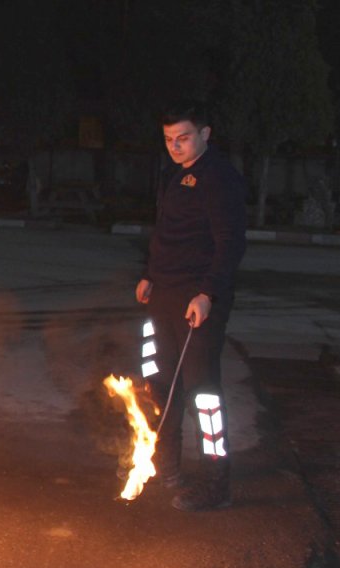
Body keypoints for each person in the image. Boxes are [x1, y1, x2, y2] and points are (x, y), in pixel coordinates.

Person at [136, 101, 247, 512]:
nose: (174, 146)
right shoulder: (173, 175)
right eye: (168, 139)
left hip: (198, 300)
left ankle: (217, 483)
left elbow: (230, 243)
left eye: (182, 138)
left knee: (202, 392)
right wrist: (149, 273)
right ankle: (166, 465)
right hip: (163, 294)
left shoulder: (220, 179)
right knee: (162, 385)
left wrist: (208, 294)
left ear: (205, 134)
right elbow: (167, 232)